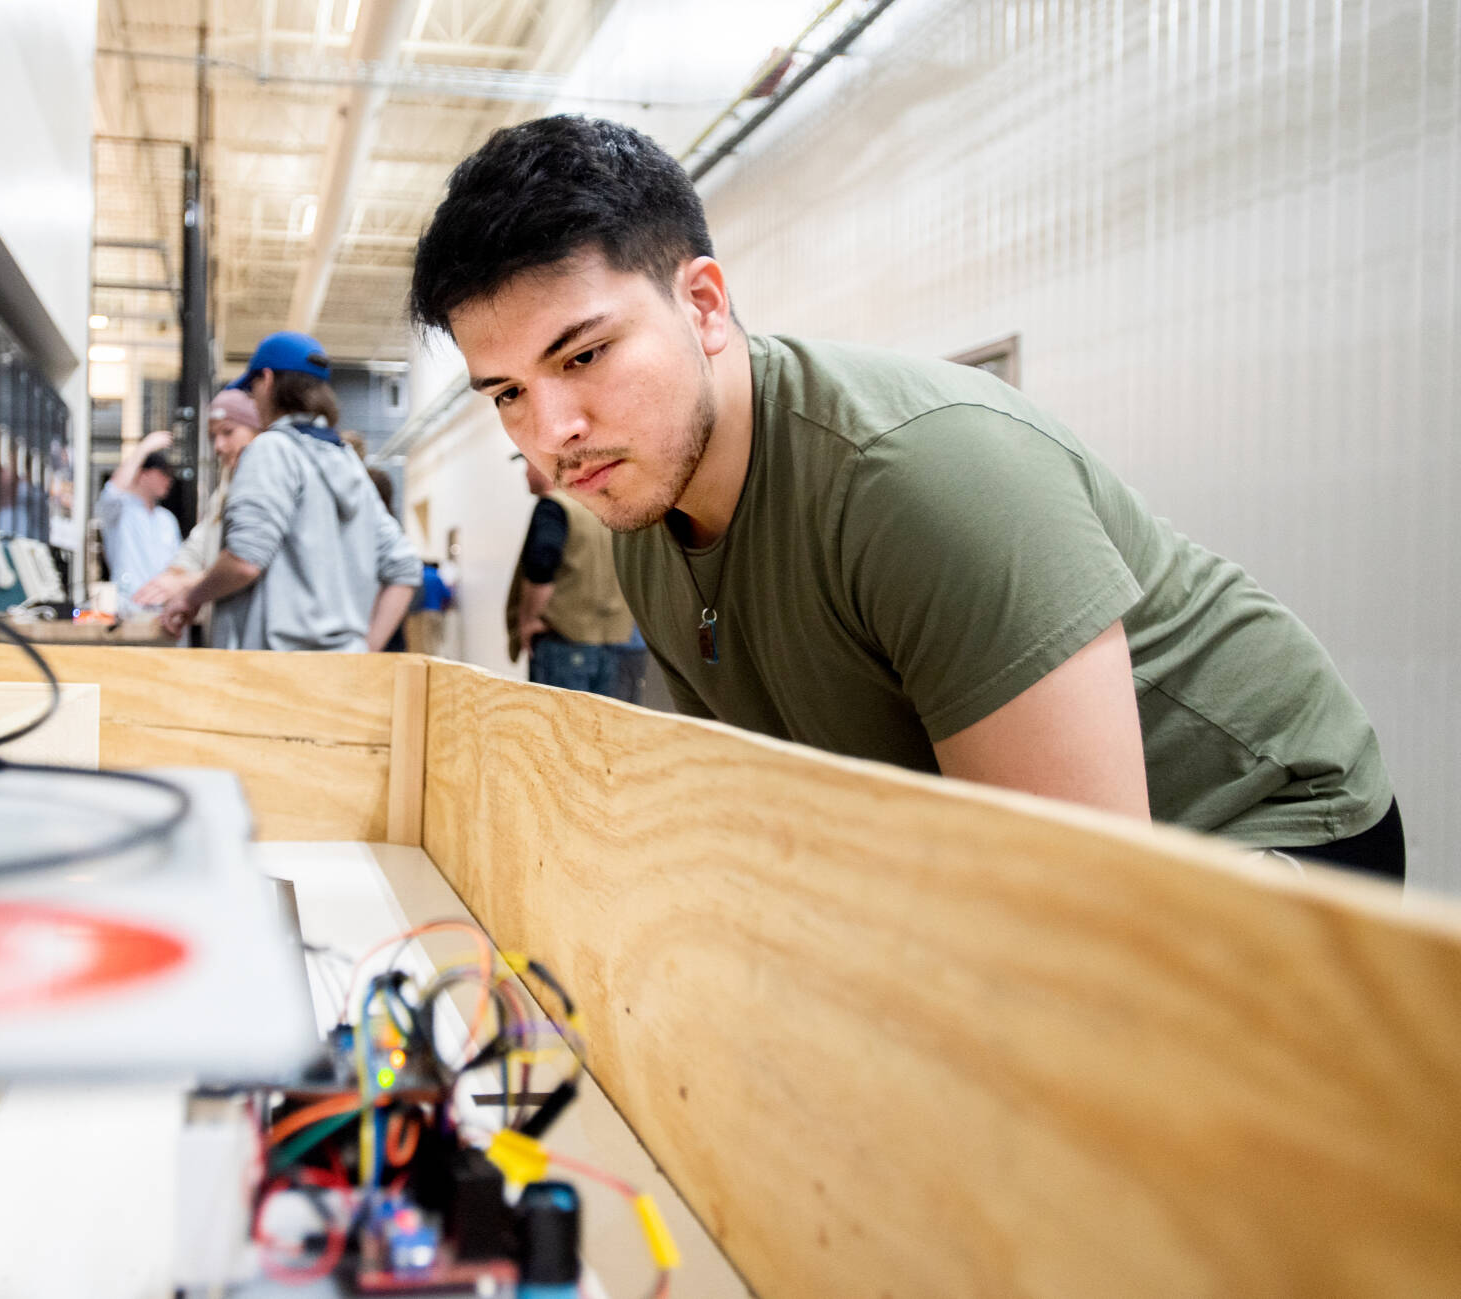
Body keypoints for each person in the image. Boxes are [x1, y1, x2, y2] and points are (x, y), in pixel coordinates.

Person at [408, 114, 1404, 880]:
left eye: (582, 354)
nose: (551, 431)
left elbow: (1070, 892)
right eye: (507, 395)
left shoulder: (919, 479)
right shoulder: (638, 518)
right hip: (1044, 868)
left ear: (703, 306)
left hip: (1253, 829)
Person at [160, 332, 420, 651]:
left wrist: (190, 597)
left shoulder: (271, 449)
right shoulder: (345, 458)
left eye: (252, 390)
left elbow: (245, 560)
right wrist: (365, 649)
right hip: (342, 672)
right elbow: (405, 566)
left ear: (266, 381)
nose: (253, 400)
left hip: (274, 672)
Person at [505, 453, 643, 702]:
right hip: (621, 640)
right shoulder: (610, 505)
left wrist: (529, 619)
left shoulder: (555, 507)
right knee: (609, 733)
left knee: (558, 732)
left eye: (527, 464)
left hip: (565, 642)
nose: (525, 473)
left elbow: (542, 566)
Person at [133, 388, 261, 618]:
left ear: (257, 430)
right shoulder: (226, 486)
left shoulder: (267, 481)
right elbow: (200, 542)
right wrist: (174, 575)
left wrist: (188, 585)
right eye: (214, 437)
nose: (218, 446)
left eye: (228, 432)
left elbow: (248, 561)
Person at [95, 431, 181, 609]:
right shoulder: (121, 511)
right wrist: (144, 447)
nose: (169, 480)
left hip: (163, 610)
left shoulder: (167, 519)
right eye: (163, 473)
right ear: (143, 474)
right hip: (129, 607)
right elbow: (112, 490)